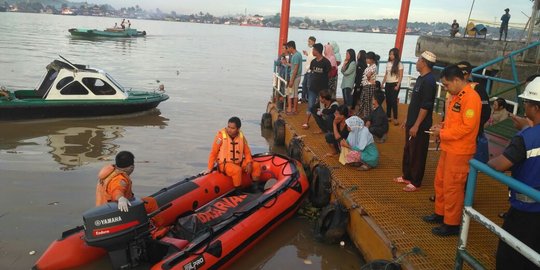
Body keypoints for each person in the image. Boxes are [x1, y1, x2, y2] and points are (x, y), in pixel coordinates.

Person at [487, 77, 540, 269]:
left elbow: (499, 165)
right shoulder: (528, 134)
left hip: (526, 212)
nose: (524, 106)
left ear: (534, 108)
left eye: (526, 102)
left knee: (510, 257)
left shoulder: (525, 138)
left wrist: (484, 162)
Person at [424, 65, 481, 237]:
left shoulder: (471, 98)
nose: (446, 89)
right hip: (449, 148)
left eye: (447, 85)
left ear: (457, 80)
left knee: (453, 187)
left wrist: (441, 133)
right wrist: (441, 127)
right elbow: (454, 122)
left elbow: (467, 128)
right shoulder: (458, 96)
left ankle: (452, 223)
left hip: (460, 151)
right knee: (441, 182)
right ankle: (440, 213)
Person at [394, 51, 437, 192]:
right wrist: (408, 119)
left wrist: (417, 124)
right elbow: (415, 102)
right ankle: (407, 175)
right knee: (408, 149)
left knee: (418, 152)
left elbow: (426, 106)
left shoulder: (429, 81)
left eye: (418, 60)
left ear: (424, 62)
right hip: (413, 121)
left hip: (420, 124)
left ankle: (416, 181)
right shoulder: (420, 78)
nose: (417, 62)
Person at [205, 117, 261, 191]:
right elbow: (213, 152)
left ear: (238, 129)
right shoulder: (220, 137)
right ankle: (238, 191)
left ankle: (255, 188)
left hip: (238, 162)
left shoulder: (241, 137)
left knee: (256, 165)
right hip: (225, 164)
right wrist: (209, 168)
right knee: (237, 170)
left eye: (232, 128)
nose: (229, 129)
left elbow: (247, 152)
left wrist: (249, 163)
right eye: (228, 127)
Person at [457, 61, 491, 163]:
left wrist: (477, 128)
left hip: (470, 134)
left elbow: (486, 111)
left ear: (468, 74)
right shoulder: (454, 89)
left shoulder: (477, 89)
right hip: (454, 134)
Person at [303, 43, 331, 129]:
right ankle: (306, 122)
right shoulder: (313, 61)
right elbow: (312, 72)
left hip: (322, 88)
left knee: (322, 106)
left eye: (314, 50)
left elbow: (329, 73)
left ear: (317, 51)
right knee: (310, 105)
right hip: (313, 87)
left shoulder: (326, 62)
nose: (312, 51)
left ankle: (323, 124)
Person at [382, 48, 404, 126]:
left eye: (392, 54)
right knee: (388, 100)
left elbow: (401, 76)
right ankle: (388, 116)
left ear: (395, 55)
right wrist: (382, 83)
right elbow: (386, 74)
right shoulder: (388, 63)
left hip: (395, 84)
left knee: (393, 101)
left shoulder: (399, 64)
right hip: (388, 84)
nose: (390, 55)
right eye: (390, 54)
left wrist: (398, 85)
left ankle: (395, 118)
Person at [357, 52, 379, 119]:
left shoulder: (374, 66)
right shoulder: (370, 66)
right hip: (366, 85)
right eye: (366, 58)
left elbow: (369, 75)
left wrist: (369, 79)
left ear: (372, 59)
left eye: (368, 58)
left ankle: (367, 117)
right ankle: (362, 114)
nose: (366, 60)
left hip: (369, 86)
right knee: (363, 100)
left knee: (367, 102)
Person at [285, 40, 302, 115]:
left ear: (291, 47)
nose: (287, 50)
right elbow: (294, 66)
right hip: (297, 77)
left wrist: (291, 80)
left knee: (290, 93)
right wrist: (287, 64)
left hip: (294, 77)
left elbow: (295, 69)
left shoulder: (295, 56)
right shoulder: (299, 54)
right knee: (294, 93)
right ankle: (294, 109)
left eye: (287, 48)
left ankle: (291, 109)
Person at [301, 36, 316, 103]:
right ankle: (304, 98)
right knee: (304, 84)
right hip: (307, 70)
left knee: (307, 85)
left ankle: (307, 99)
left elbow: (313, 59)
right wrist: (307, 54)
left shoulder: (315, 50)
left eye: (309, 41)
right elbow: (310, 57)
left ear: (313, 42)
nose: (308, 43)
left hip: (310, 70)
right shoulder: (311, 49)